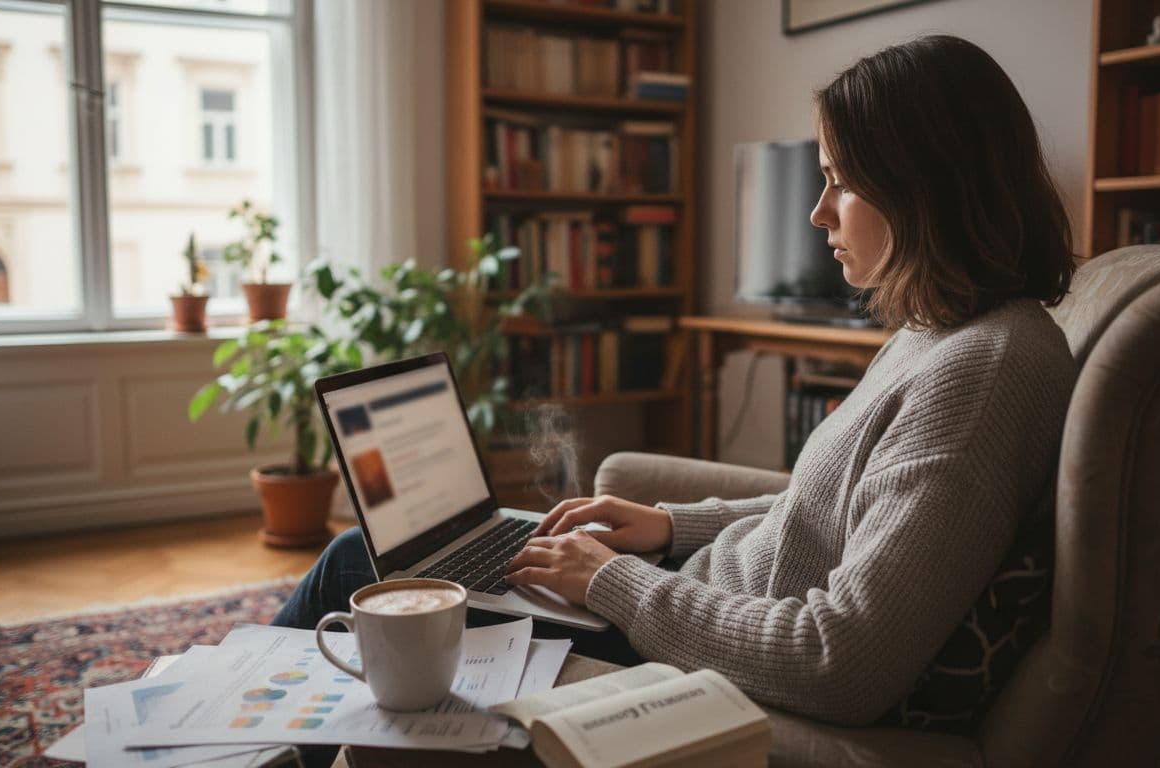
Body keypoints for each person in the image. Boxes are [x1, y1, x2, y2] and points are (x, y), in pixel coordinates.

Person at [275, 33, 1077, 729]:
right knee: (411, 551)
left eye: (842, 180)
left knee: (358, 564)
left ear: (925, 186)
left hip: (690, 636)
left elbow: (839, 661)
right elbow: (838, 513)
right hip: (689, 594)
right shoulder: (943, 331)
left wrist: (611, 583)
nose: (818, 213)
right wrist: (671, 525)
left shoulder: (985, 371)